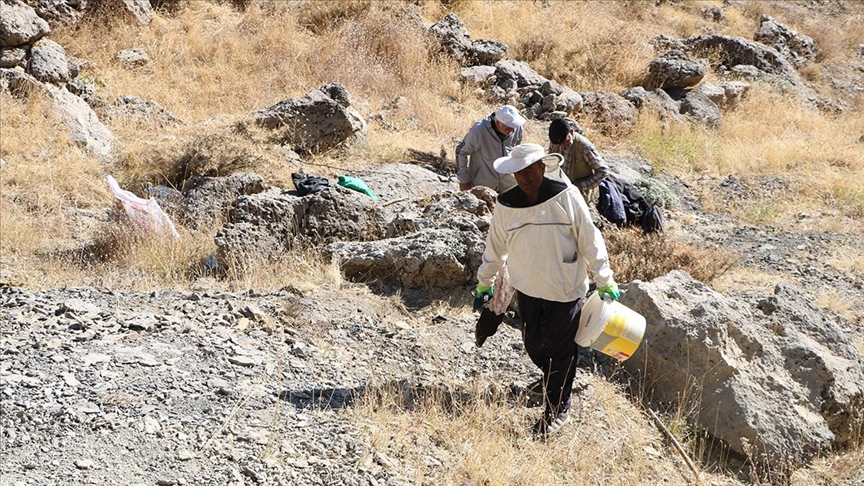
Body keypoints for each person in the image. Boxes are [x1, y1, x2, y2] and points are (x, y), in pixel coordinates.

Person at [473, 143, 620, 438]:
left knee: (561, 350)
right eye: (519, 172)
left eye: (530, 169)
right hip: (527, 287)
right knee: (534, 344)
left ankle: (557, 407)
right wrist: (485, 281)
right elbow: (496, 247)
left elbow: (590, 239)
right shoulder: (506, 205)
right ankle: (551, 379)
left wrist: (605, 278)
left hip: (565, 289)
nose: (525, 177)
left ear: (542, 167)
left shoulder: (567, 197)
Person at [456, 105, 526, 193]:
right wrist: (464, 180)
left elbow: (516, 151)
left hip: (508, 186)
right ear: (497, 123)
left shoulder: (517, 128)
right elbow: (461, 151)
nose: (513, 130)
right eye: (508, 126)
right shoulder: (479, 131)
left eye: (514, 125)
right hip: (483, 187)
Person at [548, 118, 609, 204]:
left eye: (566, 141)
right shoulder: (556, 141)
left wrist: (581, 185)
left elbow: (603, 171)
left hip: (581, 196)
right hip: (561, 192)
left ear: (571, 132)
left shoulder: (584, 147)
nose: (562, 146)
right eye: (560, 144)